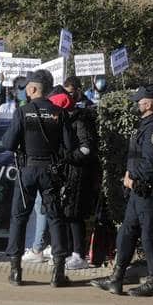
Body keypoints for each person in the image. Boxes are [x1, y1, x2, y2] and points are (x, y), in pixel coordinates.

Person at [91, 85, 153, 297]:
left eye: (139, 101)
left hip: (147, 191)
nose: (136, 104)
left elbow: (151, 164)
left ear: (149, 103)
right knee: (126, 233)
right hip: (136, 190)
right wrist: (129, 174)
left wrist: (132, 178)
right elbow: (136, 157)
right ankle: (116, 279)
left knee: (149, 235)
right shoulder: (144, 125)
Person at [2, 70, 74, 287]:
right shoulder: (59, 113)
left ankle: (16, 271)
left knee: (19, 218)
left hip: (27, 171)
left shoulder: (23, 112)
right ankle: (58, 272)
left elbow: (7, 143)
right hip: (50, 172)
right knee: (55, 218)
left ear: (32, 89)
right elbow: (69, 147)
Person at [48, 86, 98, 271]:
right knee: (66, 213)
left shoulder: (79, 120)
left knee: (74, 214)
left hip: (77, 173)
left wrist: (68, 157)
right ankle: (70, 251)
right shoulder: (66, 119)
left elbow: (86, 148)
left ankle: (79, 254)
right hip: (67, 172)